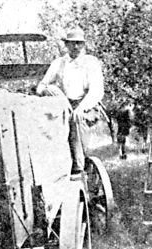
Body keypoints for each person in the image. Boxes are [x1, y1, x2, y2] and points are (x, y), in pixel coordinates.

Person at [36, 28, 104, 173]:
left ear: (84, 45)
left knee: (76, 120)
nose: (76, 47)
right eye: (72, 43)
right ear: (66, 45)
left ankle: (78, 166)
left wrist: (81, 108)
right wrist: (46, 91)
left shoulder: (91, 62)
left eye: (79, 43)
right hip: (64, 104)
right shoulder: (59, 63)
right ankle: (52, 167)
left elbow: (96, 92)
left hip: (86, 105)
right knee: (49, 101)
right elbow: (42, 85)